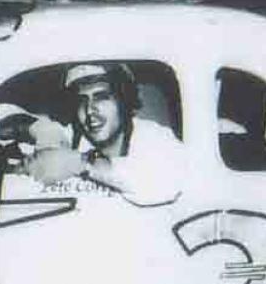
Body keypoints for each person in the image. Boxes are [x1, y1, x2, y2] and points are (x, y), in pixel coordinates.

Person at [22, 63, 186, 206]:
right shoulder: (74, 136)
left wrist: (81, 163)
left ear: (123, 100)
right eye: (81, 101)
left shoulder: (155, 138)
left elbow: (166, 186)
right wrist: (37, 129)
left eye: (101, 97)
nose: (89, 111)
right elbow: (6, 114)